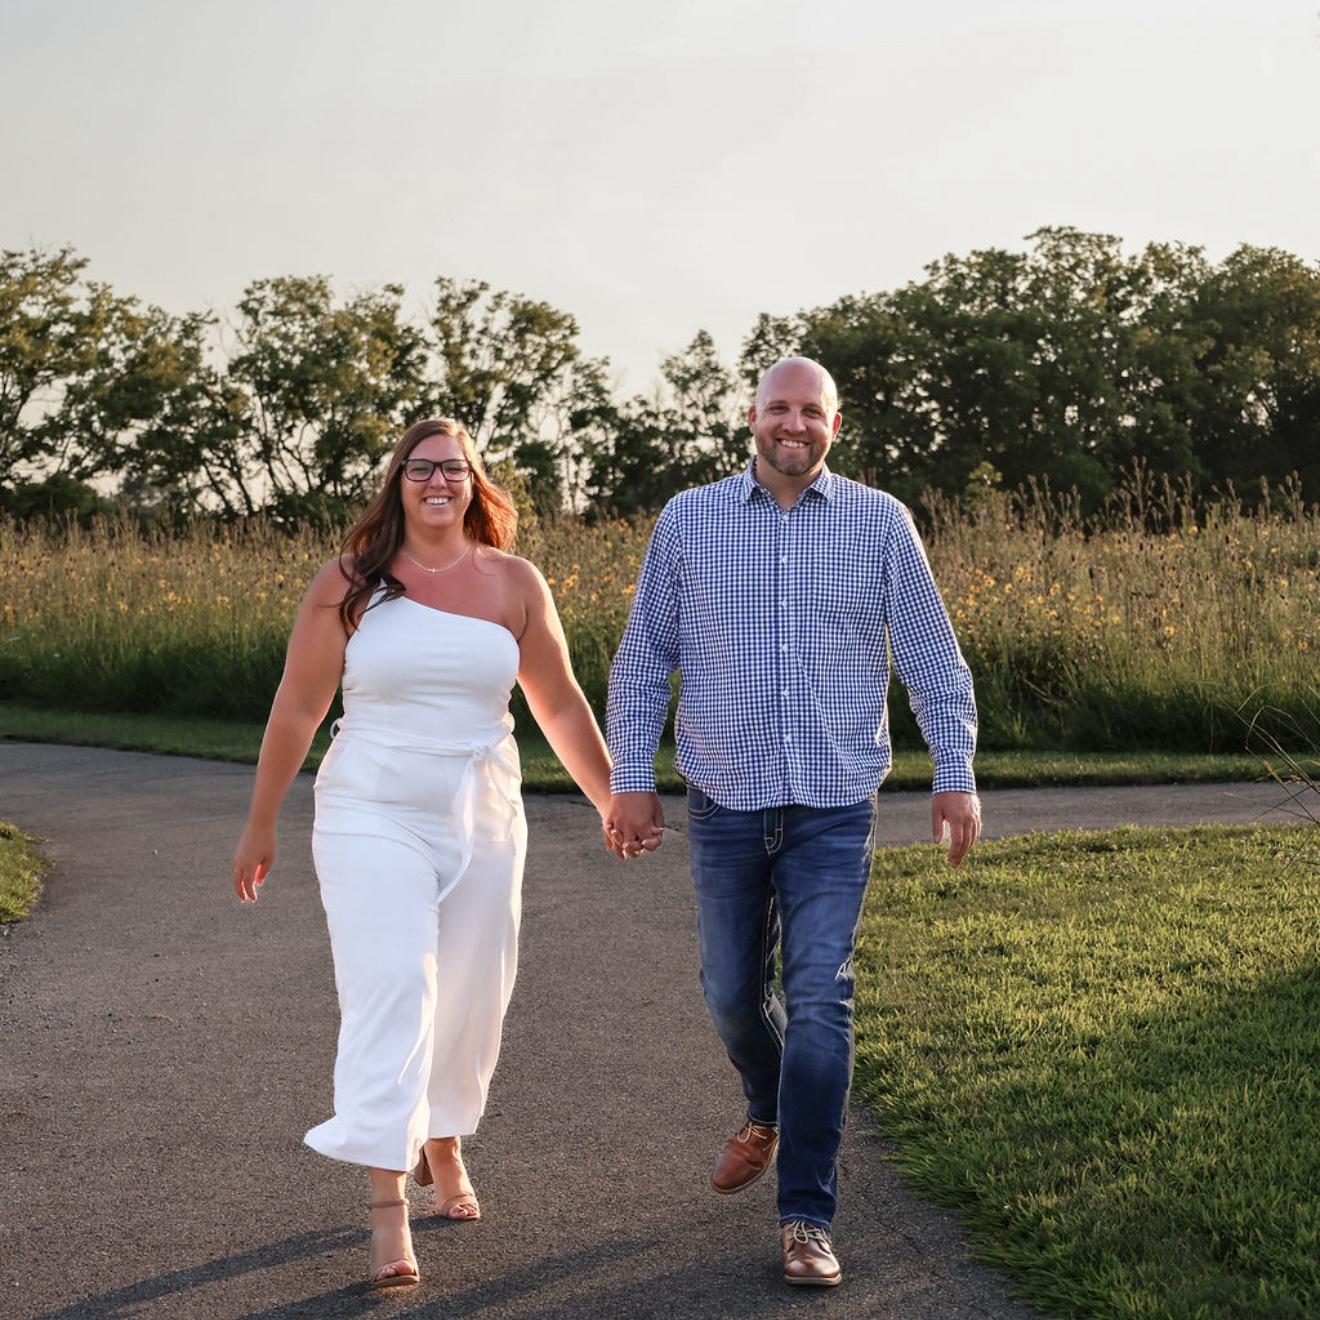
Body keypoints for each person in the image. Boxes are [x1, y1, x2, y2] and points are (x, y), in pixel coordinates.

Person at [604, 357, 981, 1288]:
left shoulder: (880, 522)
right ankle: (766, 1106)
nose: (794, 424)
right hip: (725, 799)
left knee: (820, 997)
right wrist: (629, 778)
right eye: (780, 407)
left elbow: (932, 656)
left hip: (834, 803)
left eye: (812, 411)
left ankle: (806, 1215)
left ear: (834, 427)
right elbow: (644, 659)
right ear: (751, 417)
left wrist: (956, 773)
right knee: (733, 994)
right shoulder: (689, 519)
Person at [232, 418, 620, 1290]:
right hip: (371, 806)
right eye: (421, 468)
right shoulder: (349, 582)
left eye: (454, 468)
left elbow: (558, 702)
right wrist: (261, 823)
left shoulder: (516, 582)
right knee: (395, 987)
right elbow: (298, 706)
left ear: (476, 483)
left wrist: (612, 801)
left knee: (473, 992)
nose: (438, 481)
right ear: (397, 481)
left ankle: (442, 1139)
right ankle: (386, 1204)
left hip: (483, 811)